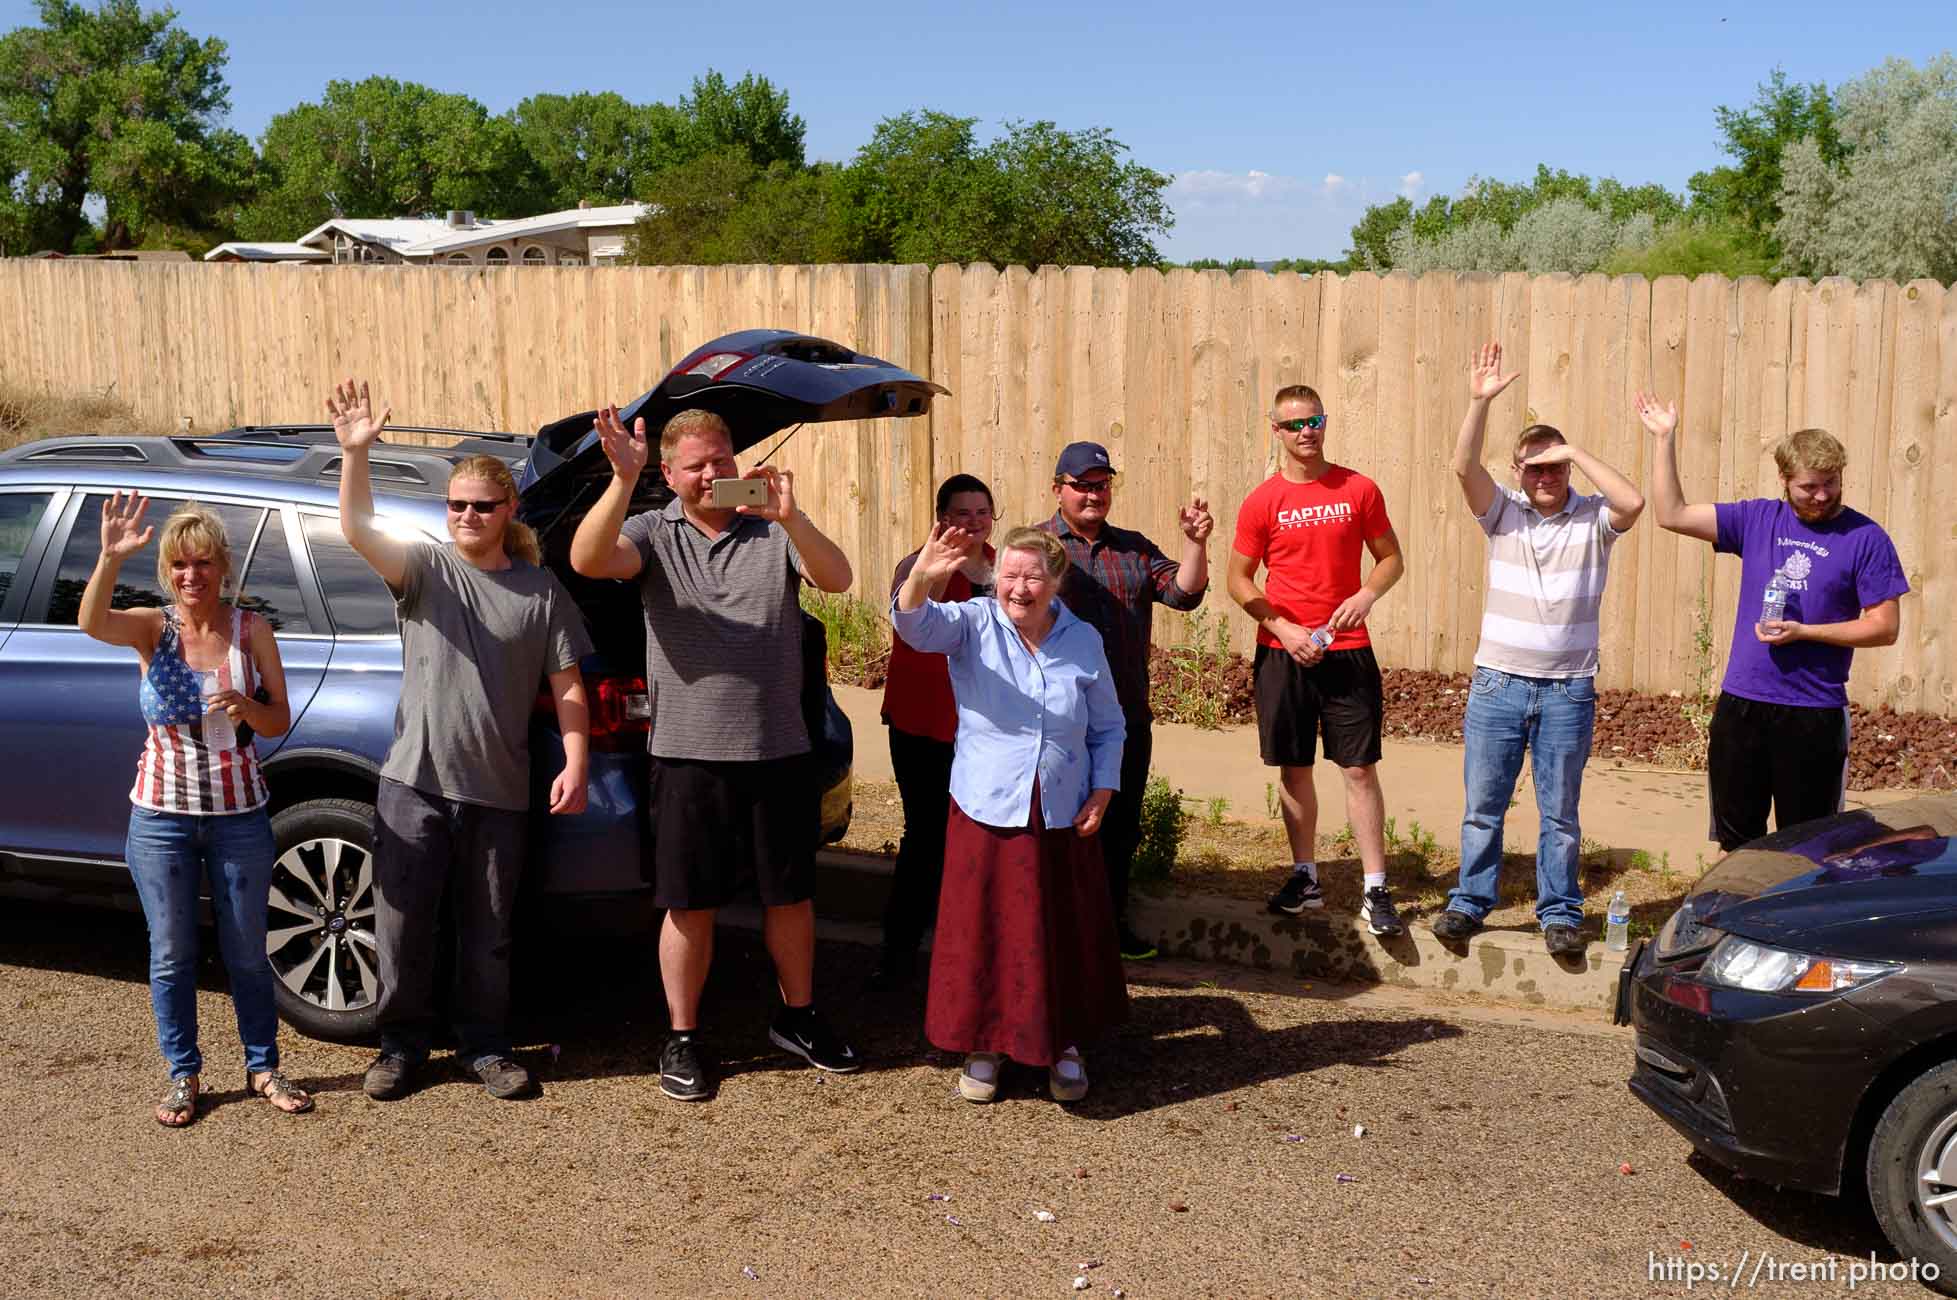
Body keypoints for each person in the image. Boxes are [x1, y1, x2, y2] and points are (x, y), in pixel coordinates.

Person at [570, 404, 861, 1103]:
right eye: (694, 465)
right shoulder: (649, 530)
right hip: (687, 754)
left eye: (720, 460)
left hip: (777, 748)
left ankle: (797, 1017)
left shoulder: (771, 530)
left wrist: (791, 516)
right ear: (668, 474)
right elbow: (586, 559)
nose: (710, 474)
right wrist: (620, 479)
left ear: (737, 463)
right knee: (688, 903)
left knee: (788, 897)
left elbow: (838, 579)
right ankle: (683, 1036)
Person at [328, 380, 593, 1103]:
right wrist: (355, 455)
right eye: (457, 505)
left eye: (481, 505)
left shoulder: (540, 590)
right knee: (405, 929)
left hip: (500, 790)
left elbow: (568, 686)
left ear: (508, 513)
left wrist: (575, 760)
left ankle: (485, 1048)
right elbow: (356, 529)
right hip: (412, 783)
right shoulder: (425, 568)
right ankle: (400, 1048)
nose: (467, 515)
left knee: (490, 935)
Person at [80, 493, 312, 1126]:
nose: (191, 576)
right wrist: (107, 557)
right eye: (180, 565)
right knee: (173, 953)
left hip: (240, 815)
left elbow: (278, 720)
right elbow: (93, 624)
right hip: (160, 817)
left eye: (203, 563)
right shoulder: (154, 629)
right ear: (166, 571)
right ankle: (183, 1075)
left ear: (222, 567)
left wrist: (247, 705)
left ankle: (263, 1066)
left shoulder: (251, 630)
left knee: (246, 952)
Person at [892, 524, 1127, 1104]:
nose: (1019, 588)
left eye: (1033, 577)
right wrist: (922, 574)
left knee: (1057, 932)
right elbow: (915, 627)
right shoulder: (972, 623)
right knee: (987, 933)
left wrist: (1103, 790)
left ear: (1056, 582)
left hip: (1062, 810)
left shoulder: (1083, 639)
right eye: (1010, 576)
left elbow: (1109, 726)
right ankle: (984, 1046)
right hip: (987, 805)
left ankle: (1063, 1044)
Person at [1429, 344, 1646, 956]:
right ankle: (1469, 904)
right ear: (1519, 473)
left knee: (1560, 814)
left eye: (1554, 468)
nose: (1545, 478)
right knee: (1483, 809)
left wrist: (1573, 449)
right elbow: (1462, 465)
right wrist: (1480, 402)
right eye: (1534, 468)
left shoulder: (1595, 518)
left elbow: (1634, 503)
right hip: (1498, 683)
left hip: (1568, 688)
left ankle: (1559, 914)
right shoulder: (1503, 514)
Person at [1642, 397, 1907, 851]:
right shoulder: (1757, 519)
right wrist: (1665, 439)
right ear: (1784, 480)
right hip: (1742, 704)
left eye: (1831, 483)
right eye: (1809, 487)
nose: (1822, 495)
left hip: (1814, 712)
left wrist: (1806, 632)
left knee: (1810, 846)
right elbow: (1672, 515)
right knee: (1737, 843)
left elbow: (1884, 627)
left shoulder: (1866, 538)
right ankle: (1732, 916)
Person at [1227, 384, 1407, 937]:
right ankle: (1305, 877)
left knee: (1358, 767)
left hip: (1346, 650)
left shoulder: (1358, 489)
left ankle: (1376, 888)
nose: (1307, 432)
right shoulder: (1263, 501)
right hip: (1284, 652)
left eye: (1315, 421)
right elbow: (1238, 579)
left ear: (1324, 425)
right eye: (1295, 424)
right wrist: (1282, 626)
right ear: (1276, 431)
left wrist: (1367, 595)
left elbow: (1390, 559)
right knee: (1294, 765)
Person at [1036, 441, 1211, 961]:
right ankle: (1052, 929)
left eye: (1102, 484)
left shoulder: (1133, 548)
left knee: (1119, 827)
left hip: (1125, 718)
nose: (1093, 495)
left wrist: (1196, 544)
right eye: (1082, 485)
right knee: (1056, 827)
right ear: (1058, 489)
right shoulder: (1036, 547)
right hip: (1058, 723)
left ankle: (1109, 928)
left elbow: (1183, 593)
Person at [870, 473, 997, 991]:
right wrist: (942, 564)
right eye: (962, 513)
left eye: (982, 512)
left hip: (978, 729)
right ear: (942, 517)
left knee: (976, 842)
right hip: (920, 724)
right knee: (924, 838)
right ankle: (897, 956)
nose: (973, 522)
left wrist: (984, 570)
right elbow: (920, 613)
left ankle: (967, 955)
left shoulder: (1000, 568)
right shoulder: (917, 563)